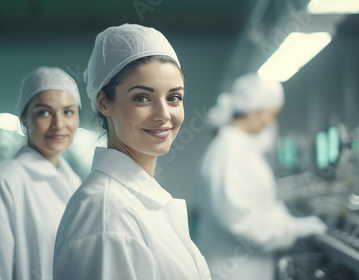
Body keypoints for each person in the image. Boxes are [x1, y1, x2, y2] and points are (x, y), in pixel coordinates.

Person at [53, 23, 211, 280]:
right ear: (104, 103)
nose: (163, 115)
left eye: (173, 98)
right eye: (142, 98)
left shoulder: (136, 199)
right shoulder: (107, 216)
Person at [194, 73, 327, 280]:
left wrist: (287, 222)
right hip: (236, 272)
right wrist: (291, 231)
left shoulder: (238, 148)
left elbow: (259, 207)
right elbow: (241, 223)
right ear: (253, 112)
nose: (270, 122)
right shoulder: (230, 152)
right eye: (270, 114)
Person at [0, 66, 83, 280]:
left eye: (68, 111)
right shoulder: (0, 184)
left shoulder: (73, 181)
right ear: (24, 119)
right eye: (44, 112)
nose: (59, 124)